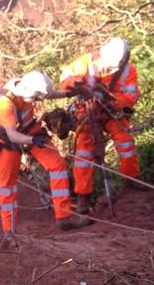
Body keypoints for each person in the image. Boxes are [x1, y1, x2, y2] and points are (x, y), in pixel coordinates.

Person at [0, 71, 91, 236]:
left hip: (31, 131)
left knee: (57, 164)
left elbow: (48, 94)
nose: (38, 102)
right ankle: (9, 231)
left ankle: (64, 218)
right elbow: (12, 135)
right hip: (9, 141)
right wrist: (33, 141)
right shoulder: (4, 102)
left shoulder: (28, 84)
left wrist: (69, 93)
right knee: (7, 185)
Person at [58, 37, 141, 214]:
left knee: (126, 142)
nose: (107, 69)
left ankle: (131, 182)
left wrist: (113, 100)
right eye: (106, 66)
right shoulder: (86, 63)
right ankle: (83, 199)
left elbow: (132, 95)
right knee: (83, 153)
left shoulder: (128, 70)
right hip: (86, 110)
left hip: (112, 111)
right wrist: (76, 83)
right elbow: (63, 79)